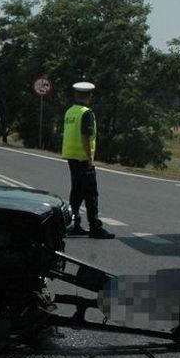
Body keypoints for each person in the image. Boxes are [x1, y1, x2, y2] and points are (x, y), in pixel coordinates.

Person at [61, 81, 114, 239]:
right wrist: (90, 158)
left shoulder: (70, 111)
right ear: (89, 96)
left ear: (76, 95)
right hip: (83, 158)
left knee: (77, 192)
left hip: (71, 156)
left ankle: (73, 224)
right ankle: (95, 227)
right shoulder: (86, 113)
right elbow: (85, 136)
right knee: (91, 193)